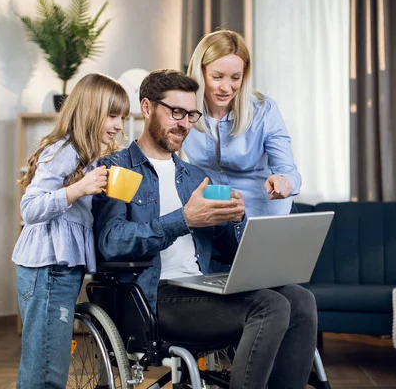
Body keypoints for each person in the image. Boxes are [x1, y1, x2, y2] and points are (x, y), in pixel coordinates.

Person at [92, 69, 317, 389]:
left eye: (191, 114)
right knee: (270, 305)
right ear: (146, 107)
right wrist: (184, 220)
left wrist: (235, 221)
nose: (185, 123)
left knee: (300, 298)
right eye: (176, 112)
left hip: (206, 285)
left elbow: (226, 249)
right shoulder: (118, 169)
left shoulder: (195, 177)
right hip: (156, 296)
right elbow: (112, 242)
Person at [12, 73, 129, 388]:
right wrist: (78, 190)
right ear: (90, 111)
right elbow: (30, 208)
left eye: (123, 117)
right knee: (46, 370)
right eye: (113, 115)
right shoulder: (65, 150)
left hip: (54, 272)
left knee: (46, 363)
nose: (119, 125)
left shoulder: (85, 155)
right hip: (47, 271)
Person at [184, 29, 301, 217]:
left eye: (235, 77)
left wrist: (285, 181)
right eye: (217, 76)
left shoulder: (264, 109)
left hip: (265, 216)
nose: (226, 87)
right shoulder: (185, 112)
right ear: (200, 72)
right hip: (218, 220)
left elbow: (288, 170)